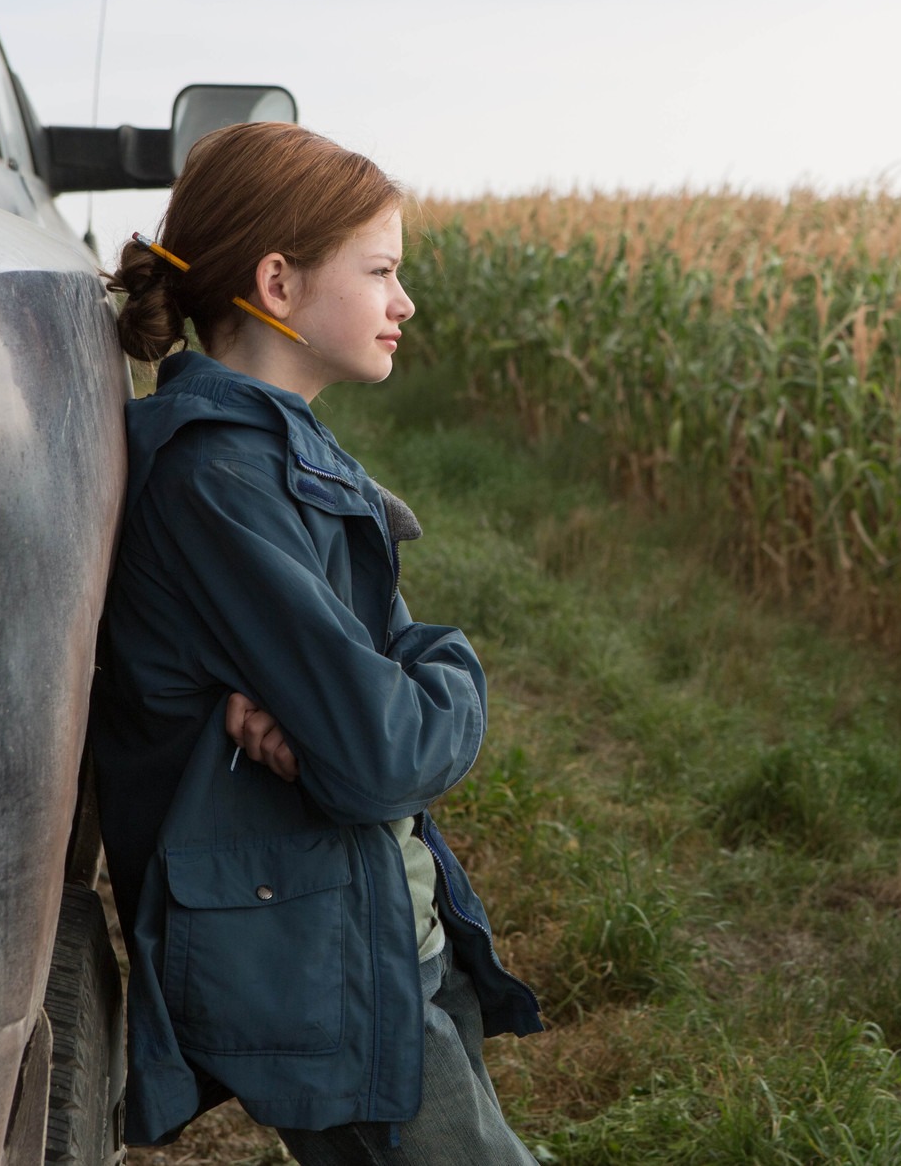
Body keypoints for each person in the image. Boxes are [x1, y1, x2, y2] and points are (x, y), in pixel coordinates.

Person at [92, 121, 543, 1162]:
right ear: (278, 285)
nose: (404, 302)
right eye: (381, 270)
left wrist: (398, 684)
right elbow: (384, 753)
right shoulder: (223, 482)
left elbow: (373, 717)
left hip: (375, 925)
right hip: (325, 959)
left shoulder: (270, 454)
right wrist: (444, 671)